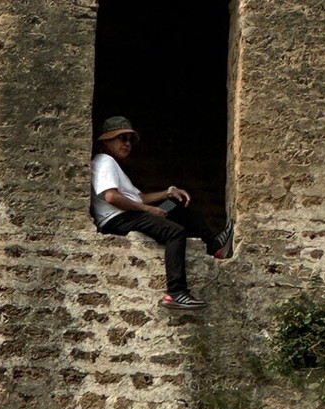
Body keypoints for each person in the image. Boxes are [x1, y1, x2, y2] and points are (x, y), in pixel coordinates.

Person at [91, 116, 234, 310]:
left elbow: (139, 197)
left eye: (130, 140)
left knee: (174, 203)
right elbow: (112, 197)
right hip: (117, 219)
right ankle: (176, 292)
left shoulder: (113, 165)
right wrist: (148, 210)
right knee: (174, 232)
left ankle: (214, 245)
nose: (127, 144)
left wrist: (168, 192)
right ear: (106, 141)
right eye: (122, 139)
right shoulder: (104, 161)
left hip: (128, 214)